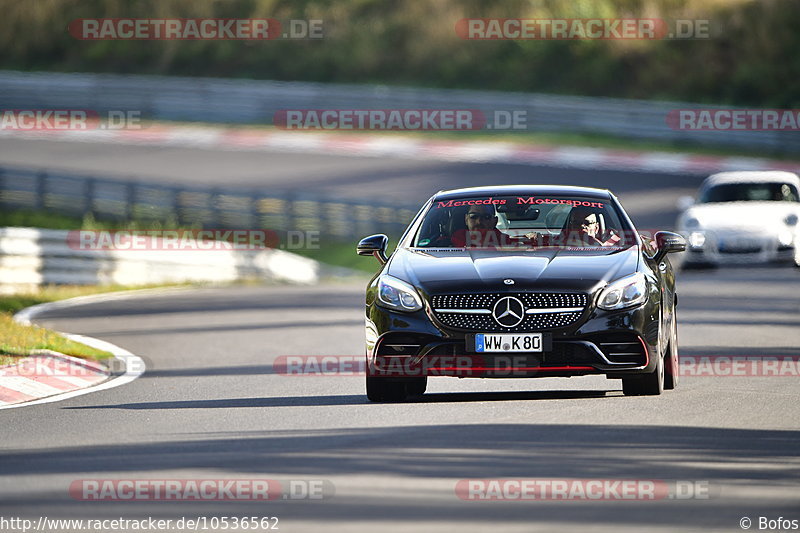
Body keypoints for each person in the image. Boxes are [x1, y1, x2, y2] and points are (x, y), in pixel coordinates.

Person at [451, 204, 515, 247]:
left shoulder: (506, 243)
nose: (479, 221)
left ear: (495, 221)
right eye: (473, 216)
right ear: (466, 219)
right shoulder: (449, 243)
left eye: (486, 217)